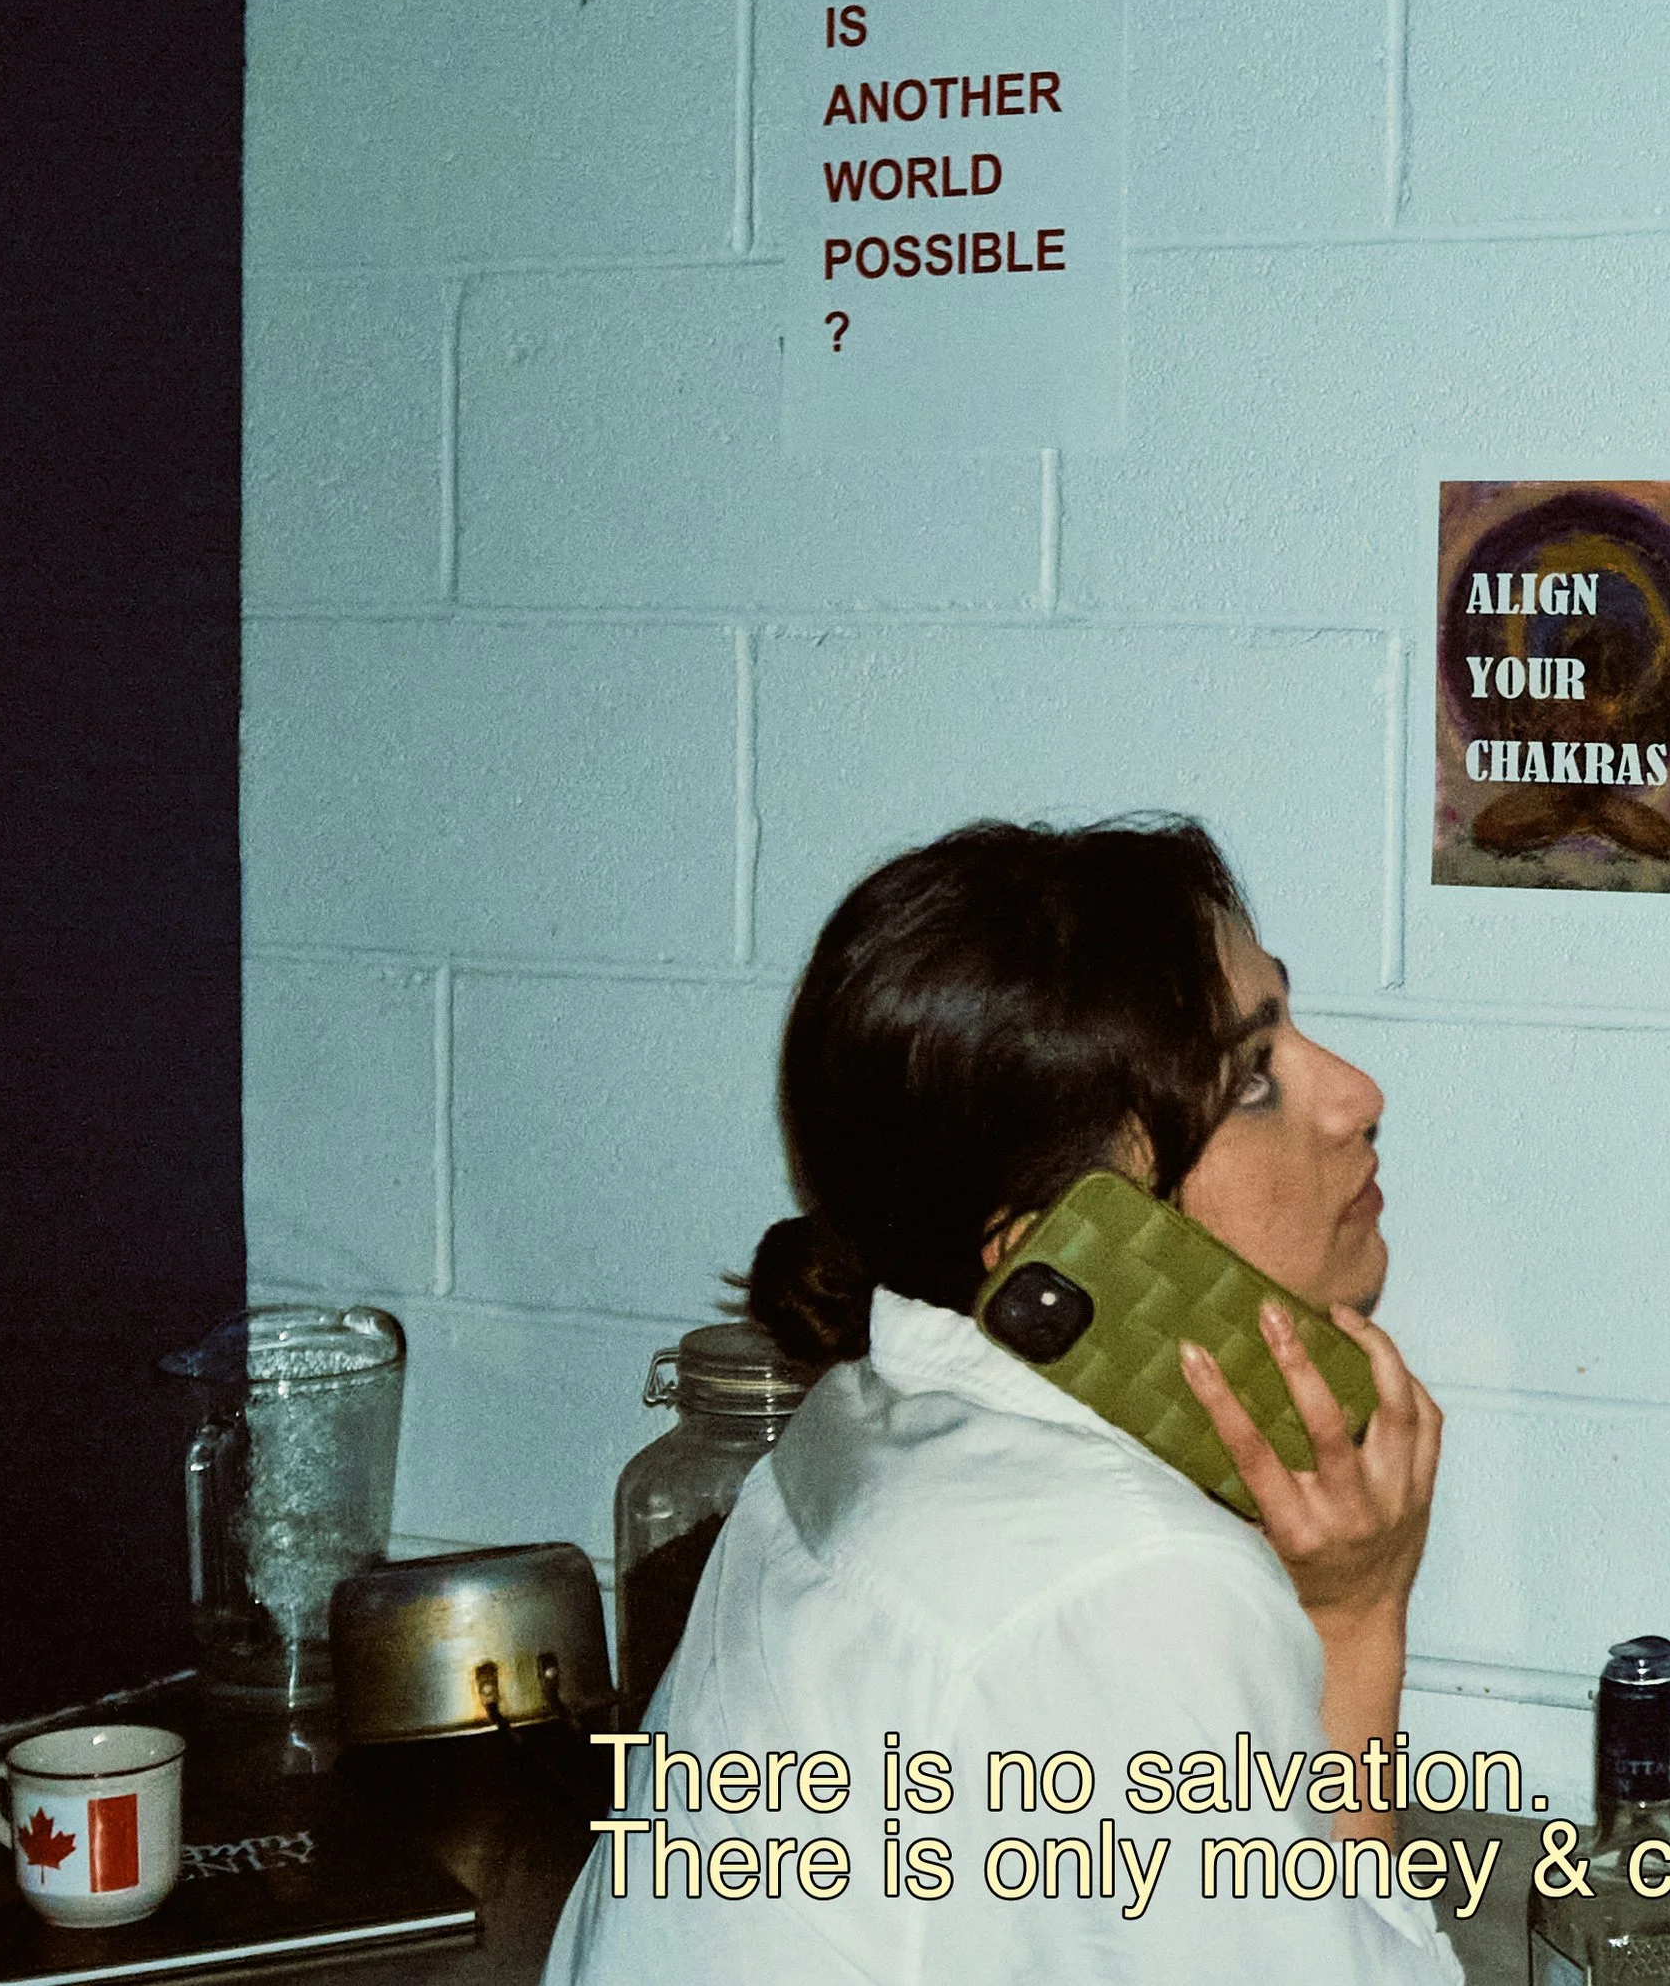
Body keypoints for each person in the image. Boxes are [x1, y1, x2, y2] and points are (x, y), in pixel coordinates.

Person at [543, 817, 1460, 1984]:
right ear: (1058, 1255)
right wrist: (1355, 1621)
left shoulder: (856, 1432)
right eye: (1250, 1080)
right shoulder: (1137, 1587)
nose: (1355, 1095)